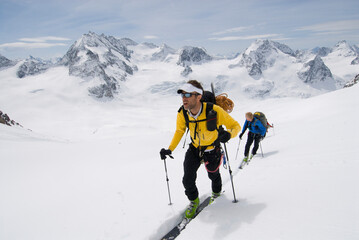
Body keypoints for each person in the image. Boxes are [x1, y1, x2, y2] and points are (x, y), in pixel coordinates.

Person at [160, 80, 241, 218]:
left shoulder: (214, 110)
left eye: (187, 94)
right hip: (195, 149)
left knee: (213, 175)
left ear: (198, 97)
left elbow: (235, 126)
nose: (184, 98)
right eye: (182, 95)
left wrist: (228, 134)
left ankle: (216, 193)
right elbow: (179, 131)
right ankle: (194, 201)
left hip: (212, 149)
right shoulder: (183, 113)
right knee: (187, 179)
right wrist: (170, 149)